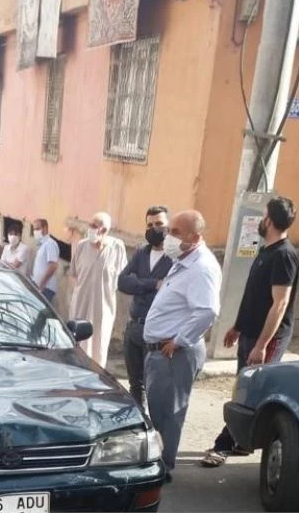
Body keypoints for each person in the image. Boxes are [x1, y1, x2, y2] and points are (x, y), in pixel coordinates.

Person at [201, 197, 299, 468]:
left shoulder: (284, 255)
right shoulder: (267, 251)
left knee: (250, 390)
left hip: (266, 338)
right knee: (245, 387)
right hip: (250, 333)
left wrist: (261, 345)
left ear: (270, 220)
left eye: (263, 215)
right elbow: (255, 297)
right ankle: (242, 441)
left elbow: (279, 304)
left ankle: (224, 444)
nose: (259, 220)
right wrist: (238, 326)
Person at [143, 210, 221, 483]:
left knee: (168, 415)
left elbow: (208, 311)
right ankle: (159, 463)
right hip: (160, 352)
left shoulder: (201, 267)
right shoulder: (184, 260)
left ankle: (162, 469)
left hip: (174, 354)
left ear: (195, 237)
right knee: (158, 411)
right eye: (170, 230)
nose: (169, 236)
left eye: (176, 232)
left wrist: (179, 340)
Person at [117, 206, 173, 411]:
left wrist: (139, 283)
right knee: (135, 384)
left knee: (154, 385)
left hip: (158, 332)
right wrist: (152, 284)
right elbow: (122, 282)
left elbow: (169, 288)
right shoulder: (142, 252)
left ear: (168, 226)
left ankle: (156, 424)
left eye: (159, 224)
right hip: (134, 328)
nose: (154, 229)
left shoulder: (174, 257)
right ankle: (140, 420)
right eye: (149, 225)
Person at [68, 212, 128, 368]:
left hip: (103, 307)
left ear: (104, 230)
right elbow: (73, 274)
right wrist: (79, 292)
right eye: (90, 224)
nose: (90, 229)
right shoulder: (81, 246)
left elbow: (123, 276)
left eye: (94, 226)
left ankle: (96, 376)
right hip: (80, 305)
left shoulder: (117, 247)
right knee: (78, 344)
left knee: (99, 346)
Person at [30, 218, 60, 302]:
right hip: (39, 286)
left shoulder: (50, 244)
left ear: (45, 228)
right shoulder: (42, 245)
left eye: (37, 229)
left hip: (45, 288)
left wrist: (41, 284)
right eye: (34, 229)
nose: (35, 232)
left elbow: (53, 266)